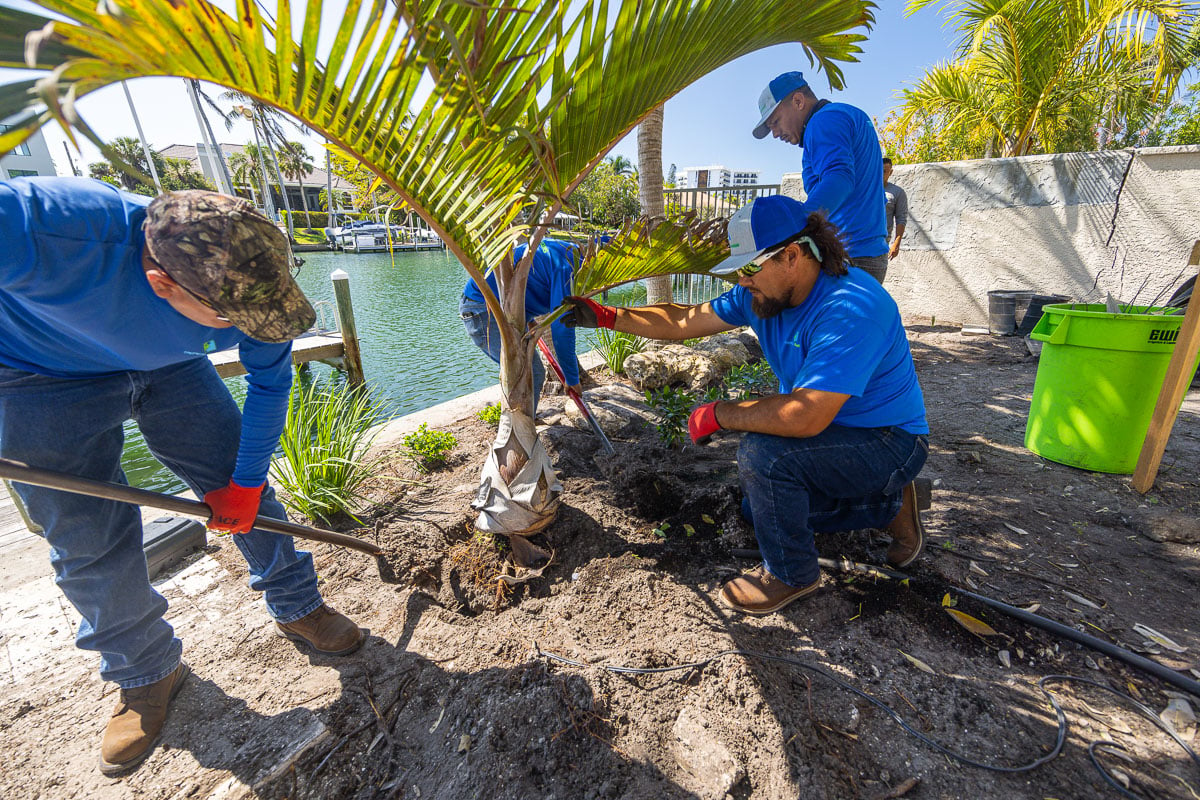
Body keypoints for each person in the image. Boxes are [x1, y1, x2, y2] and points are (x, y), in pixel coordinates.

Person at [0, 177, 363, 776]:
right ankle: (145, 673)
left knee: (246, 489)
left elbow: (270, 384)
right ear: (161, 283)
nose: (255, 327)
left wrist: (243, 486)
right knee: (87, 539)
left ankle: (298, 603)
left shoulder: (251, 281)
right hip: (40, 374)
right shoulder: (42, 228)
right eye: (234, 318)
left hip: (173, 366)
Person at [562, 195, 929, 616]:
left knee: (765, 456)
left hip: (888, 440)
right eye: (738, 271)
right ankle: (891, 503)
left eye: (749, 268)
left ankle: (792, 573)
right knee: (758, 511)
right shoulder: (760, 295)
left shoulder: (851, 308)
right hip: (834, 431)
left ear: (792, 255)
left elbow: (805, 415)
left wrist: (720, 413)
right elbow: (685, 319)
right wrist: (609, 316)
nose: (742, 281)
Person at [752, 71, 890, 283]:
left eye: (776, 122)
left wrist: (793, 227)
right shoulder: (848, 115)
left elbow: (840, 179)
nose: (776, 134)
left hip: (851, 256)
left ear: (798, 101)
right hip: (867, 253)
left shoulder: (824, 120)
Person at [459, 237, 584, 409]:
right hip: (484, 310)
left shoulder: (567, 251)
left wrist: (529, 319)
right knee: (528, 372)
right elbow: (562, 328)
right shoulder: (568, 268)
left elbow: (529, 281)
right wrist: (572, 379)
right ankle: (519, 430)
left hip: (505, 310)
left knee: (530, 372)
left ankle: (525, 424)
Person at [883, 157, 908, 261]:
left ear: (891, 172)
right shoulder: (865, 189)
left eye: (885, 171)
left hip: (882, 239)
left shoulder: (897, 192)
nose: (881, 174)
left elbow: (901, 218)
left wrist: (896, 244)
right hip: (860, 237)